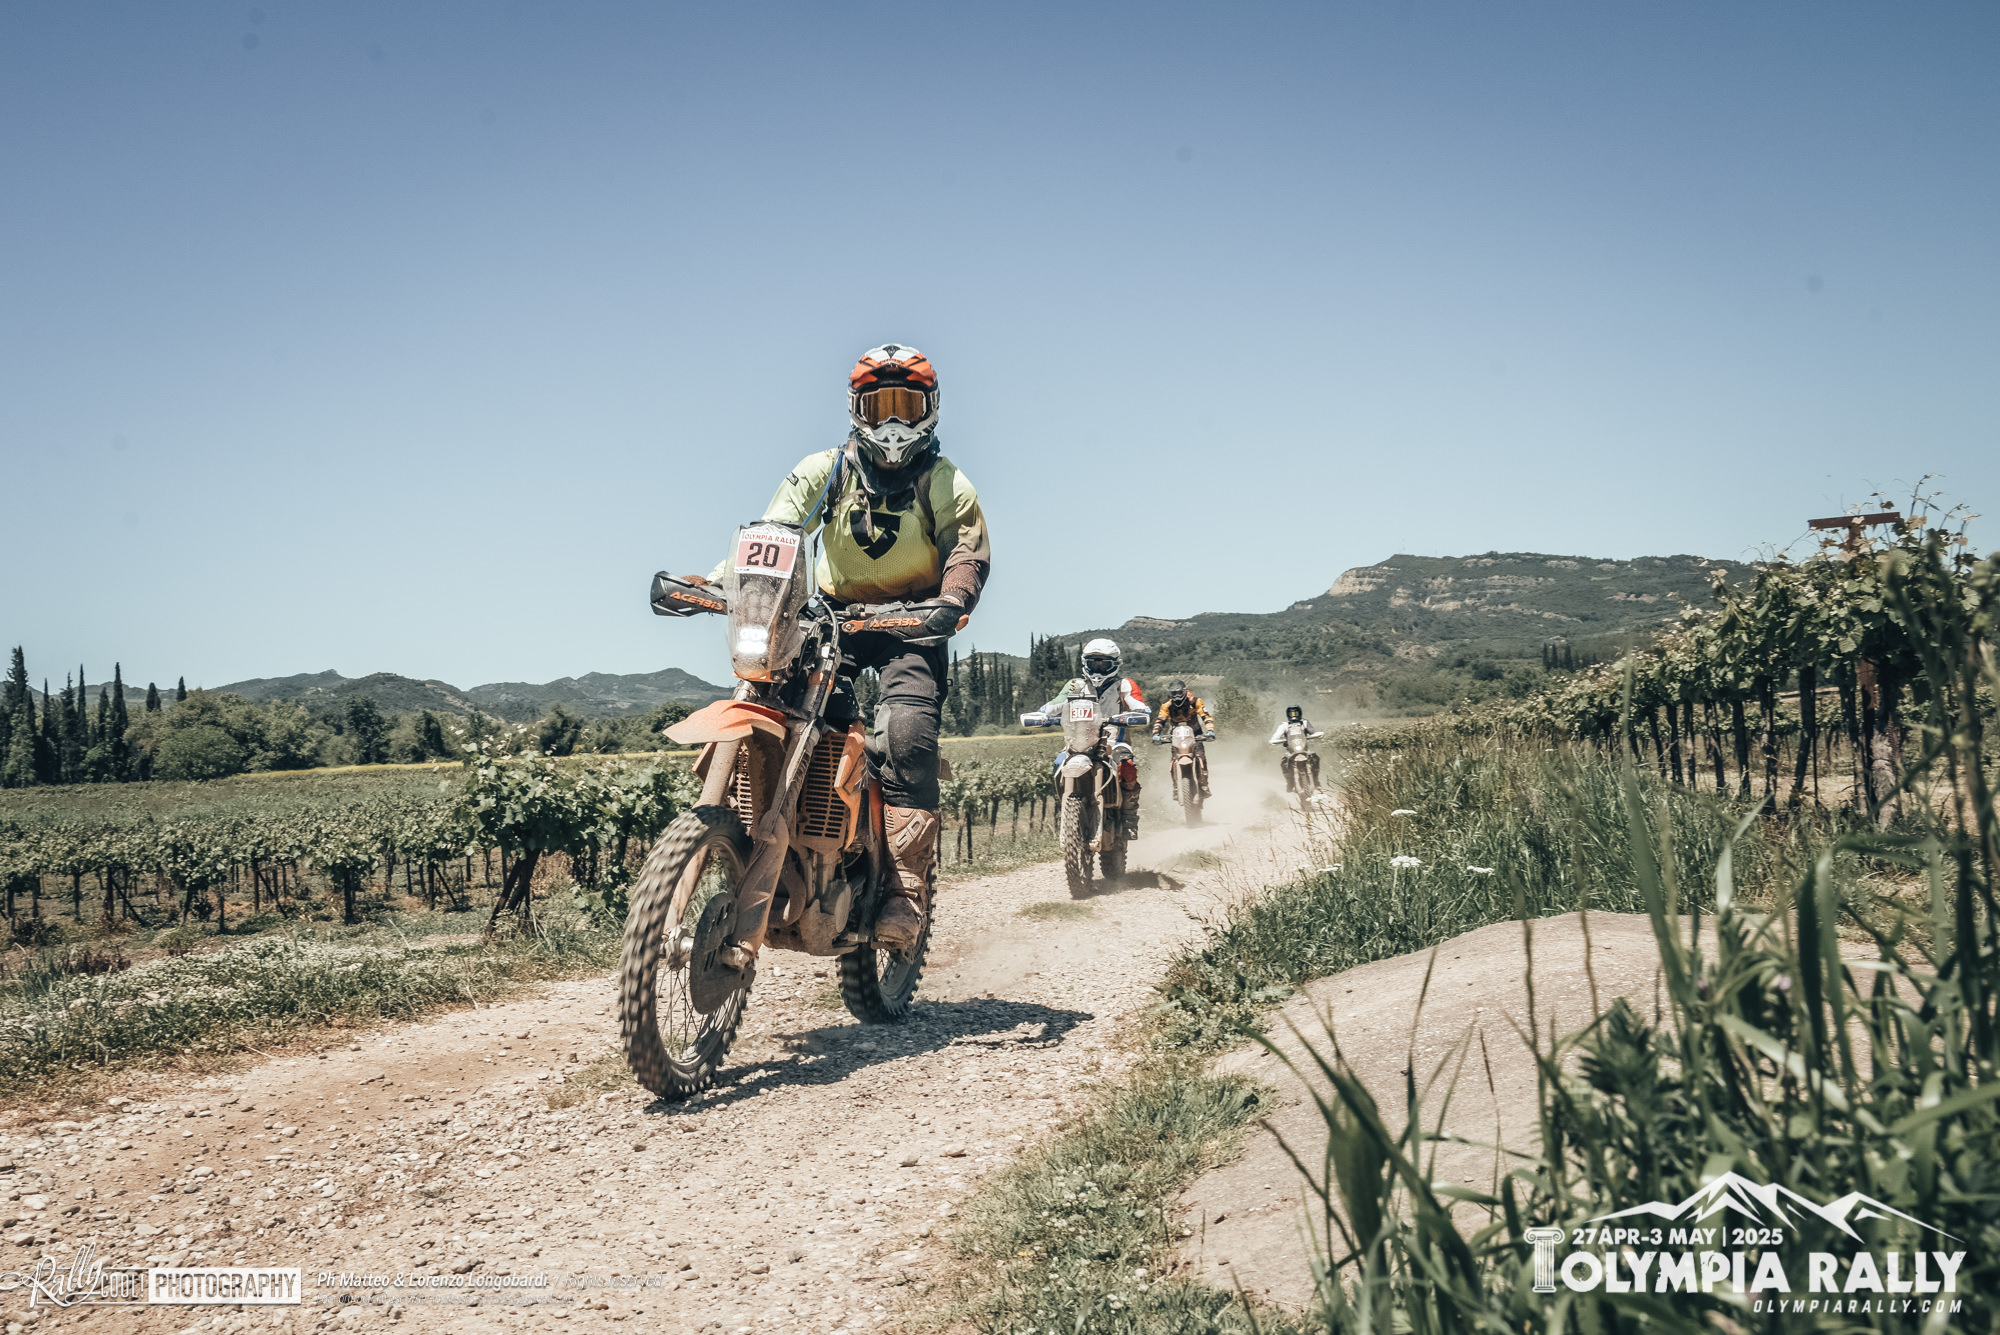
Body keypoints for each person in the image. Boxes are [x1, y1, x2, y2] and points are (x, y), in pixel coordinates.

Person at [699, 344, 990, 951]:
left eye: (906, 406)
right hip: (829, 619)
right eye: (880, 406)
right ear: (857, 409)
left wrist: (954, 597)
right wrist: (717, 580)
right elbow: (773, 535)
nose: (893, 421)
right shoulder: (824, 471)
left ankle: (905, 886)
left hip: (912, 624)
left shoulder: (944, 481)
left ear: (931, 409)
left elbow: (966, 549)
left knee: (906, 731)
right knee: (770, 693)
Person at [1030, 638, 1146, 840]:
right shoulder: (1075, 685)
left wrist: (1140, 713)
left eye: (1103, 664)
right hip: (1079, 743)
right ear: (1085, 663)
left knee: (1127, 767)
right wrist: (1041, 715)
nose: (1098, 669)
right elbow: (1054, 704)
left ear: (1115, 664)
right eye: (1093, 663)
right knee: (1058, 763)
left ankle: (1129, 817)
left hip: (1114, 742)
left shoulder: (1124, 685)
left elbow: (1138, 704)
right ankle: (1068, 806)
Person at [1151, 679, 1215, 797]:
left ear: (1185, 691)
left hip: (1195, 733)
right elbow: (1160, 720)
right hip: (1176, 735)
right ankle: (1176, 787)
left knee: (1201, 756)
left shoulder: (1195, 701)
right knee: (1174, 758)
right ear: (1170, 694)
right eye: (1174, 693)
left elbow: (1205, 716)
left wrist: (1210, 730)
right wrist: (1156, 734)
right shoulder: (1167, 705)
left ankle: (1204, 784)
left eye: (1179, 693)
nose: (1177, 696)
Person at [1269, 705, 1324, 792]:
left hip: (1305, 749)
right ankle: (1290, 783)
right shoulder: (1284, 726)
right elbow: (1275, 737)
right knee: (1284, 763)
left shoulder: (1305, 723)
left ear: (1300, 713)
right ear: (1288, 715)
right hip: (1290, 751)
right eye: (1292, 714)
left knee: (1315, 759)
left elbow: (1312, 731)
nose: (1294, 716)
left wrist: (1317, 734)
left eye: (1296, 713)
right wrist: (1274, 741)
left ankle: (1316, 781)